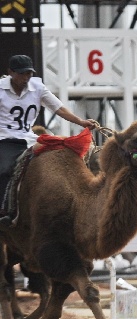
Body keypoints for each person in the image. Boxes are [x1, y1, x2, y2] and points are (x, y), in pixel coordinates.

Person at [0, 54, 97, 229]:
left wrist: (81, 122)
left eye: (29, 73)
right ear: (10, 72)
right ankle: (5, 210)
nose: (26, 78)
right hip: (5, 139)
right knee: (4, 169)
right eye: (22, 74)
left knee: (60, 158)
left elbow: (58, 108)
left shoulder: (37, 87)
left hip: (30, 139)